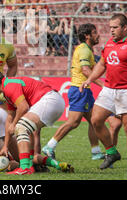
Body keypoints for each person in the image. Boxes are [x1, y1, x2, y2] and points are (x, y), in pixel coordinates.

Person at [81, 13, 127, 172]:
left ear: (124, 27)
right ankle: (112, 152)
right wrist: (89, 79)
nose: (111, 30)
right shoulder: (110, 43)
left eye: (115, 27)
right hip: (109, 89)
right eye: (110, 27)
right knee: (96, 120)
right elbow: (101, 64)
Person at [0, 69, 74, 175]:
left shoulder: (9, 86)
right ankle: (57, 165)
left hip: (49, 100)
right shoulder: (7, 92)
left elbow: (23, 107)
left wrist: (15, 124)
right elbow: (9, 119)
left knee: (21, 127)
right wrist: (5, 147)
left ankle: (25, 168)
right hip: (53, 101)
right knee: (31, 154)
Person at [42, 24, 105, 161]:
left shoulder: (87, 50)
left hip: (84, 90)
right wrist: (103, 85)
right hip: (79, 90)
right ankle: (49, 146)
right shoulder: (84, 51)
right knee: (73, 122)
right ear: (87, 36)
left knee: (94, 121)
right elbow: (85, 70)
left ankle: (96, 151)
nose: (97, 35)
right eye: (94, 32)